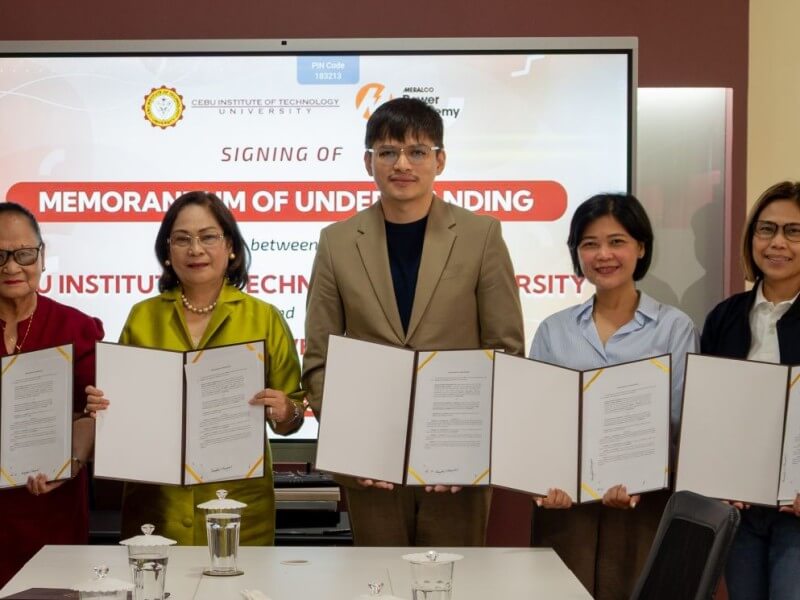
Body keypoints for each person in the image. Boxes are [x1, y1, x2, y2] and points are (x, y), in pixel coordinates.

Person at [302, 97, 524, 546]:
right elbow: (320, 359)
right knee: (379, 586)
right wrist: (353, 443)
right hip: (369, 466)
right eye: (387, 152)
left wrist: (470, 449)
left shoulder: (482, 235)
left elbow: (506, 352)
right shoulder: (337, 241)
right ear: (369, 162)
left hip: (456, 468)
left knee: (456, 589)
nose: (402, 163)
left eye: (417, 151)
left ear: (439, 160)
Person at [86, 191, 303, 545]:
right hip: (156, 507)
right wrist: (104, 407)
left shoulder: (264, 317)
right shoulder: (143, 316)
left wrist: (285, 408)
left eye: (208, 237)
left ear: (230, 246)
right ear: (167, 252)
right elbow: (122, 406)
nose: (195, 249)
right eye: (182, 239)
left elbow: (291, 417)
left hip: (237, 509)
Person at [529, 193, 698, 600]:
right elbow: (535, 419)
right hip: (567, 506)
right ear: (577, 254)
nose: (604, 254)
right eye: (589, 244)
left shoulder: (674, 328)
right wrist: (539, 481)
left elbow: (681, 421)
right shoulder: (554, 330)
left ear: (641, 247)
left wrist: (641, 476)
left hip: (644, 506)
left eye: (617, 241)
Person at [701, 180, 800, 600]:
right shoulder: (724, 317)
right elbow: (709, 412)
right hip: (739, 509)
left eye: (793, 231)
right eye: (766, 229)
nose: (777, 243)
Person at [0, 202, 104, 587]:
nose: (12, 267)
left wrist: (72, 463)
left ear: (42, 256)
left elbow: (92, 414)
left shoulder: (75, 327)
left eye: (24, 254)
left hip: (53, 505)